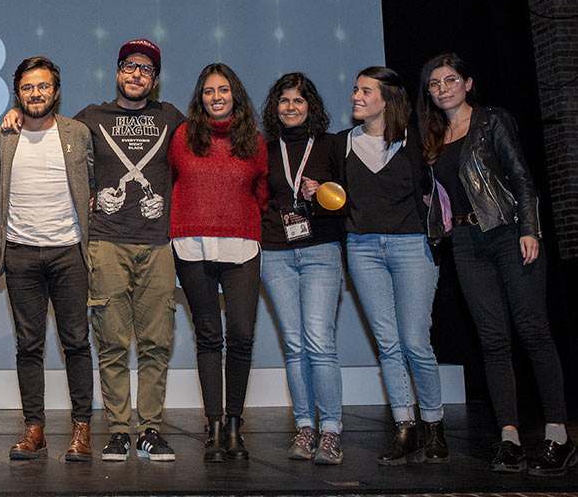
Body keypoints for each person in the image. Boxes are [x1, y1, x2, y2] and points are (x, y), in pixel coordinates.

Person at [12, 39, 183, 463]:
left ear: (156, 79)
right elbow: (63, 153)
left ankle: (150, 429)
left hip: (157, 244)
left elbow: (199, 163)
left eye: (146, 69)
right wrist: (14, 114)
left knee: (156, 343)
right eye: (129, 66)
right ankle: (119, 431)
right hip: (105, 243)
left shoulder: (172, 118)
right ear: (118, 71)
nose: (136, 74)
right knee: (110, 343)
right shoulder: (88, 119)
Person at [417, 53, 576, 477]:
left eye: (451, 80)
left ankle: (558, 435)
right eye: (435, 84)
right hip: (466, 242)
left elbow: (521, 177)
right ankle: (509, 438)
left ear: (468, 83)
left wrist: (530, 229)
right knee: (492, 341)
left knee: (532, 330)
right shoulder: (432, 136)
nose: (443, 89)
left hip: (508, 233)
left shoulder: (492, 120)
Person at [336, 66, 445, 465]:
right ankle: (405, 427)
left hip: (412, 247)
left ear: (387, 99)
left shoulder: (417, 141)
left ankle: (434, 426)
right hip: (363, 249)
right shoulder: (343, 144)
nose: (356, 96)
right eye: (355, 89)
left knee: (415, 341)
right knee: (388, 343)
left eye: (366, 91)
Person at [0, 56, 95, 461]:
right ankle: (34, 429)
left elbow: (93, 183)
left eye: (43, 86)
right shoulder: (1, 136)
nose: (36, 94)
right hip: (20, 253)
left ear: (56, 91)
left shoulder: (77, 133)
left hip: (69, 252)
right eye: (28, 88)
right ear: (17, 93)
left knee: (77, 343)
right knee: (28, 347)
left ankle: (82, 429)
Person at [168, 62, 268, 462]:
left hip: (241, 244)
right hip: (191, 244)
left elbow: (261, 189)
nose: (216, 97)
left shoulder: (253, 139)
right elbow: (172, 180)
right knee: (209, 336)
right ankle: (213, 427)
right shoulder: (183, 137)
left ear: (235, 94)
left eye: (223, 90)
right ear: (200, 98)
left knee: (241, 334)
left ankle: (234, 425)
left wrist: (238, 216)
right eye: (209, 91)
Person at [258, 73, 346, 465]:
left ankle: (331, 430)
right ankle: (305, 426)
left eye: (298, 100)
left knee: (320, 342)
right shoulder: (264, 149)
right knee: (294, 345)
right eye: (284, 100)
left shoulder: (331, 145)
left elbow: (348, 200)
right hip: (276, 252)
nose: (291, 107)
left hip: (320, 249)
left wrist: (322, 192)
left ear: (311, 105)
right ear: (274, 107)